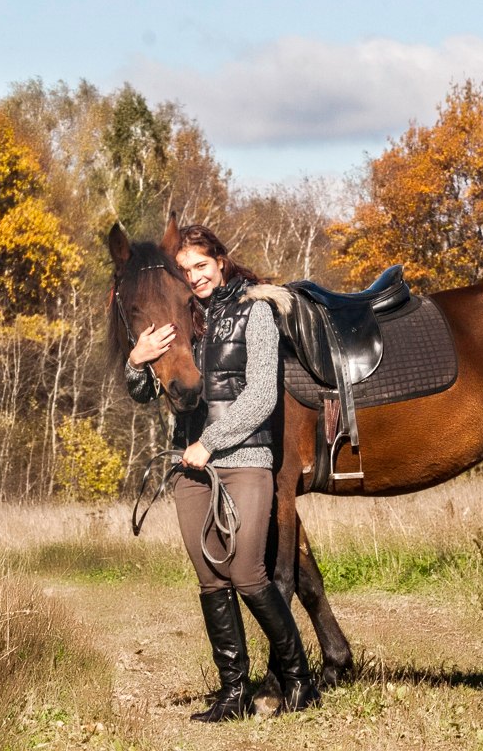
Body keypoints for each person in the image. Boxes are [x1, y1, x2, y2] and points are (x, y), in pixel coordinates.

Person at [124, 224, 320, 722]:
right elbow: (150, 392)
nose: (194, 277)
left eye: (201, 266)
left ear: (221, 261)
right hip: (189, 468)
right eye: (185, 270)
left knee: (248, 573)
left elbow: (261, 396)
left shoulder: (255, 313)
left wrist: (209, 442)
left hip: (244, 459)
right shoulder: (183, 317)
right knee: (211, 580)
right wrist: (136, 361)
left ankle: (300, 678)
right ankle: (233, 693)